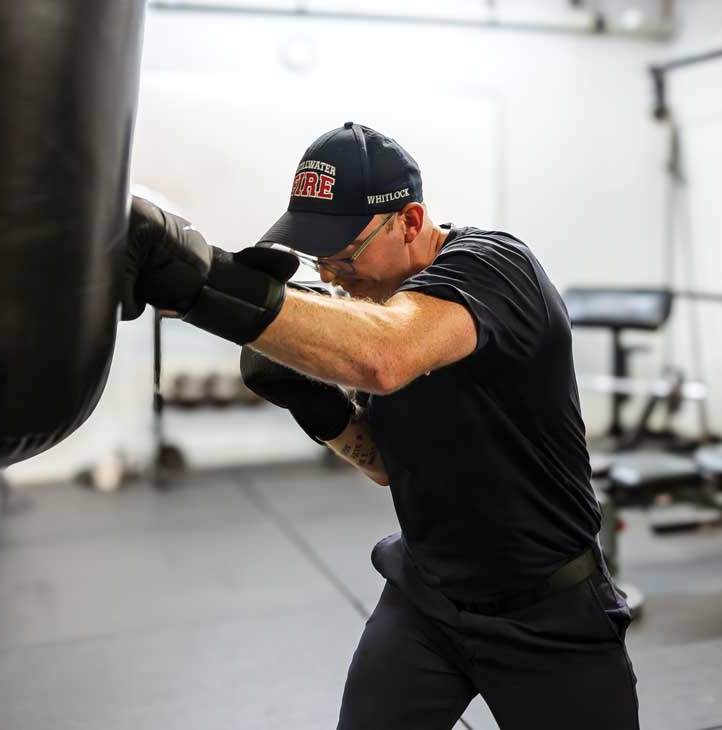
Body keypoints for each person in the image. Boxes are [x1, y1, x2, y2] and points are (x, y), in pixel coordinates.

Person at [122, 122, 639, 729]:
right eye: (320, 258)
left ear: (411, 222)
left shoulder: (494, 269)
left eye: (346, 256)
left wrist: (208, 288)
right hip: (427, 602)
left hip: (546, 610)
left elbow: (384, 357)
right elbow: (391, 468)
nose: (334, 275)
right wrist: (323, 414)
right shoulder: (373, 302)